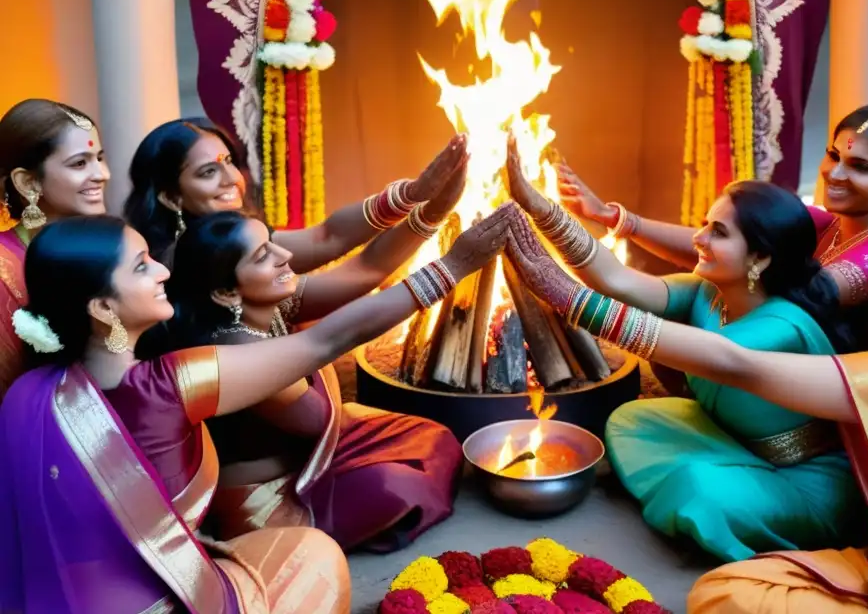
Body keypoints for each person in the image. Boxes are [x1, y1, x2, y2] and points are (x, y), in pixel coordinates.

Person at [505, 170, 868, 613]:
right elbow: (624, 283)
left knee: (723, 592)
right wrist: (547, 214)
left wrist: (567, 296)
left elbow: (738, 363)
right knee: (645, 433)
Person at [1, 206, 511, 612]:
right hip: (168, 594)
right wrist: (455, 265)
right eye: (141, 266)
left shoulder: (30, 395)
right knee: (318, 556)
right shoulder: (167, 385)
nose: (161, 269)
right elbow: (329, 341)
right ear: (104, 308)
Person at [507, 138, 861, 561]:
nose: (698, 237)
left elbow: (705, 350)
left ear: (760, 257)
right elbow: (618, 281)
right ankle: (715, 481)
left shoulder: (780, 327)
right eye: (705, 223)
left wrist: (566, 295)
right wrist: (541, 208)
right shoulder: (708, 294)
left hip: (804, 482)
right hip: (735, 442)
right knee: (631, 421)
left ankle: (723, 502)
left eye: (719, 232)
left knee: (699, 491)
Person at [161, 165, 466, 552]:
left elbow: (364, 270)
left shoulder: (266, 303)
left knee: (433, 440)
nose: (285, 254)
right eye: (262, 256)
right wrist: (455, 266)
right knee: (399, 487)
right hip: (270, 499)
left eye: (272, 242)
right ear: (226, 293)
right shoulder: (240, 351)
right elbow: (318, 420)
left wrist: (434, 209)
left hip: (308, 453)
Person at [556, 102, 868, 355]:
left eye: (861, 167)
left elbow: (805, 289)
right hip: (772, 363)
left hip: (829, 404)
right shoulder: (830, 223)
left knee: (704, 294)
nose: (834, 174)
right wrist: (618, 219)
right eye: (834, 155)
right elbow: (723, 246)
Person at [123, 116, 468, 267]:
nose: (232, 179)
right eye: (208, 172)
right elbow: (346, 268)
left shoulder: (230, 238)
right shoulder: (200, 261)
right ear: (170, 197)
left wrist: (413, 195)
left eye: (229, 162)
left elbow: (324, 238)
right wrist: (428, 213)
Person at [0, 98, 110, 401]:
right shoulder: (4, 271)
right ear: (28, 182)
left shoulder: (107, 246)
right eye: (80, 163)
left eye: (100, 158)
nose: (102, 174)